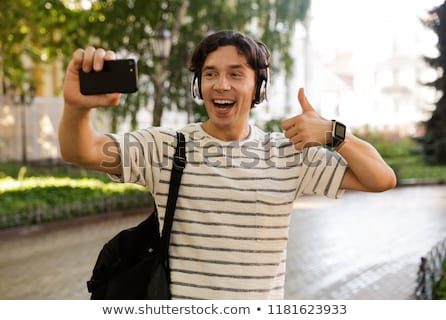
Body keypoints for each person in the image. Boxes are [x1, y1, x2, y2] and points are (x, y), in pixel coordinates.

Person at [59, 30, 396, 299]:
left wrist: (332, 134)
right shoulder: (163, 147)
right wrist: (77, 108)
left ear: (258, 87)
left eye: (236, 74)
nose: (221, 85)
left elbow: (381, 179)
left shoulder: (289, 154)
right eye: (210, 74)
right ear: (199, 86)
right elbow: (82, 151)